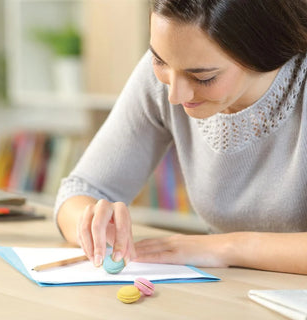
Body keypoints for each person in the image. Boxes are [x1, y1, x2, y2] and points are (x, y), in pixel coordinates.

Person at [54, 0, 307, 275]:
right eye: (158, 60)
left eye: (204, 78)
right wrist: (93, 225)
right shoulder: (174, 68)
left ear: (262, 47)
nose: (175, 95)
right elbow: (80, 190)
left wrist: (226, 248)